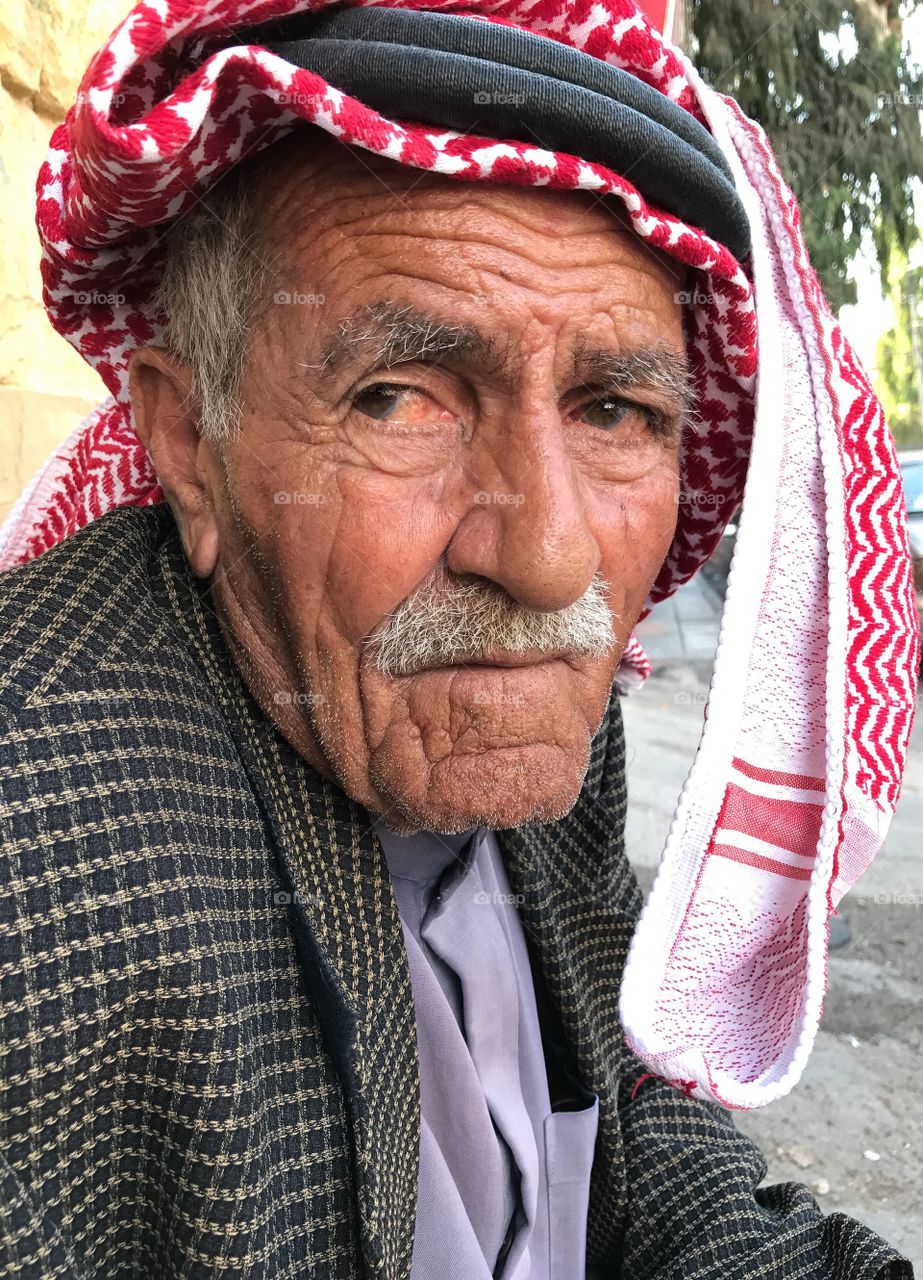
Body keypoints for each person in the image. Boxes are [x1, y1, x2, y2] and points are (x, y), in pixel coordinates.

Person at [0, 1, 916, 1277]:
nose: (544, 557)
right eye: (399, 398)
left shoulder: (528, 722)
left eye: (615, 408)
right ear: (188, 446)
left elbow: (629, 1101)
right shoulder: (35, 863)